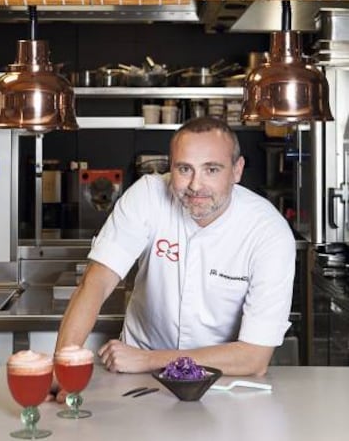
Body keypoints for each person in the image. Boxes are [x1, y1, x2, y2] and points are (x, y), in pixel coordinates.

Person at [55, 116, 296, 379]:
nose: (195, 185)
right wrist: (63, 366)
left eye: (211, 169)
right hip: (137, 374)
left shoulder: (268, 231)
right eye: (184, 169)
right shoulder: (147, 195)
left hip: (219, 376)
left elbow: (254, 358)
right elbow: (95, 283)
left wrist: (149, 360)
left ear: (237, 170)